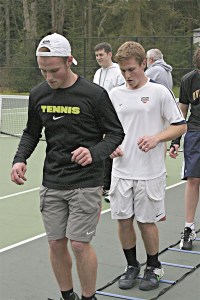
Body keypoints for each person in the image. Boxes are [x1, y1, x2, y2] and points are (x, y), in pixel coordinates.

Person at [10, 33, 125, 300]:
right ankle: (67, 296)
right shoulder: (38, 94)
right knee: (55, 242)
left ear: (69, 61)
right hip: (52, 180)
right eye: (43, 70)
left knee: (79, 244)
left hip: (86, 181)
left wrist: (94, 152)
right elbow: (30, 132)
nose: (49, 77)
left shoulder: (94, 95)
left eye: (54, 70)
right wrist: (20, 159)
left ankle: (88, 297)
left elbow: (116, 133)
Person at [108, 41, 187, 291]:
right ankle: (132, 265)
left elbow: (180, 125)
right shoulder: (114, 94)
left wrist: (156, 138)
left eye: (132, 69)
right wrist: (110, 145)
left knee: (145, 222)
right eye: (123, 71)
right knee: (123, 220)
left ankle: (153, 266)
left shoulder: (160, 93)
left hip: (149, 172)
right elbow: (106, 131)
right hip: (120, 170)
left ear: (144, 64)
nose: (128, 75)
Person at [169, 47, 200, 251]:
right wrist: (175, 140)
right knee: (193, 179)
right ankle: (189, 227)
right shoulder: (189, 79)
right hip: (196, 130)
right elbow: (182, 111)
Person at [93, 42, 125, 201]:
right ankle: (102, 184)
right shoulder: (97, 73)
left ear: (109, 54)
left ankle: (110, 185)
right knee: (100, 148)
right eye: (97, 55)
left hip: (113, 117)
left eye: (101, 55)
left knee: (112, 150)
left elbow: (120, 95)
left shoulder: (119, 72)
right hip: (98, 117)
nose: (99, 58)